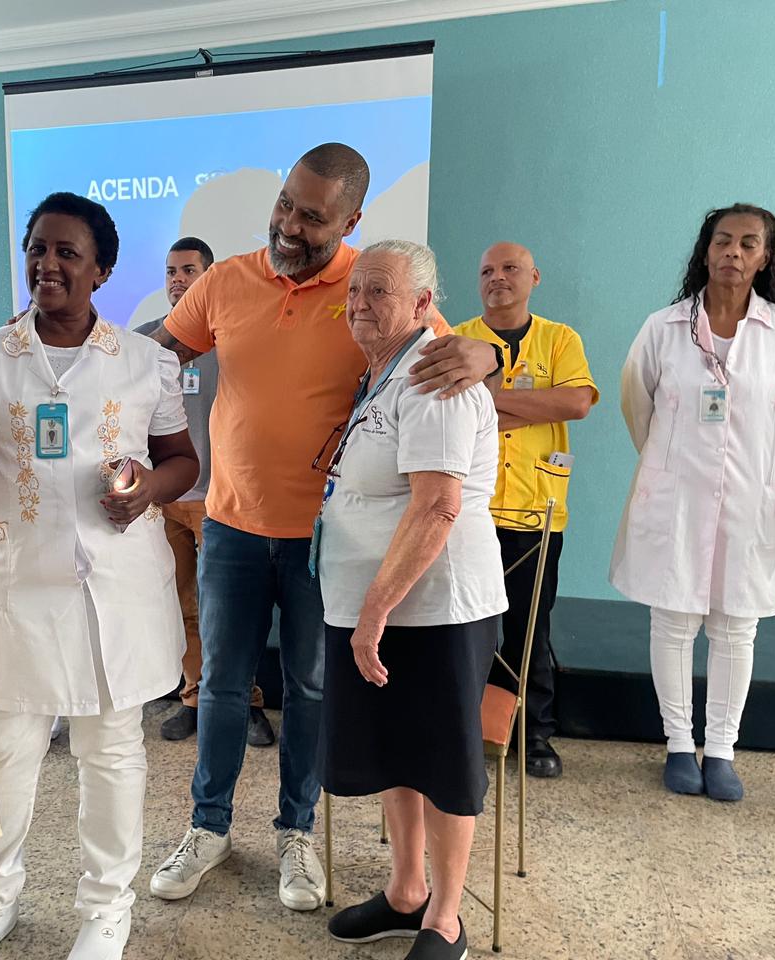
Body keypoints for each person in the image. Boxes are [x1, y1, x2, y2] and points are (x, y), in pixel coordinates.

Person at [147, 143, 500, 913]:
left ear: (350, 220)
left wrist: (489, 353)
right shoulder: (226, 280)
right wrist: (69, 345)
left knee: (309, 689)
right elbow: (154, 352)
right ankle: (207, 827)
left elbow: (445, 352)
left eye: (312, 216)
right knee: (221, 686)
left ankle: (296, 833)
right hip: (232, 526)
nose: (289, 224)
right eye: (286, 203)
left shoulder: (373, 286)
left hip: (325, 543)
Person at [0, 192, 198, 960]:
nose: (48, 264)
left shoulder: (144, 361)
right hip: (15, 588)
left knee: (110, 752)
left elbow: (182, 461)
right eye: (38, 249)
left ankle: (106, 911)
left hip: (114, 590)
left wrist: (148, 488)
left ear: (101, 270)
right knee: (1, 753)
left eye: (67, 252)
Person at [318, 239, 506, 960]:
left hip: (432, 611)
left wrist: (374, 613)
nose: (360, 304)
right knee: (394, 752)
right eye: (355, 289)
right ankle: (405, 893)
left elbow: (436, 507)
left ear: (424, 304)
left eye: (380, 291)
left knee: (441, 762)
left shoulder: (434, 377)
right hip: (382, 605)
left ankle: (445, 919)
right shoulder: (387, 371)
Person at [611, 203, 775, 802]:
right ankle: (677, 745)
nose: (733, 253)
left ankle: (720, 751)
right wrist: (673, 462)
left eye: (748, 244)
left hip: (749, 499)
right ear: (706, 249)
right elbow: (636, 402)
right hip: (678, 497)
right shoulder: (664, 327)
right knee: (673, 620)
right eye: (723, 241)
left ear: (765, 257)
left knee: (736, 626)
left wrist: (751, 462)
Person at [455, 243, 597, 779]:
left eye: (510, 268)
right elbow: (449, 404)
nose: (497, 278)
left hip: (536, 511)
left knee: (529, 628)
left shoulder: (560, 340)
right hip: (469, 511)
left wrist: (490, 400)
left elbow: (576, 402)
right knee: (468, 627)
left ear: (534, 277)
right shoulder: (459, 338)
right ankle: (471, 730)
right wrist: (534, 406)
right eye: (487, 270)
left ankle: (533, 734)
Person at [134, 237, 274, 747]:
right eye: (171, 271)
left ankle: (245, 703)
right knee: (183, 606)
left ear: (209, 278)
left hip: (224, 499)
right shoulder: (144, 343)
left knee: (230, 612)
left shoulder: (231, 336)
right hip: (164, 499)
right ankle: (193, 697)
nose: (177, 279)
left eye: (188, 270)